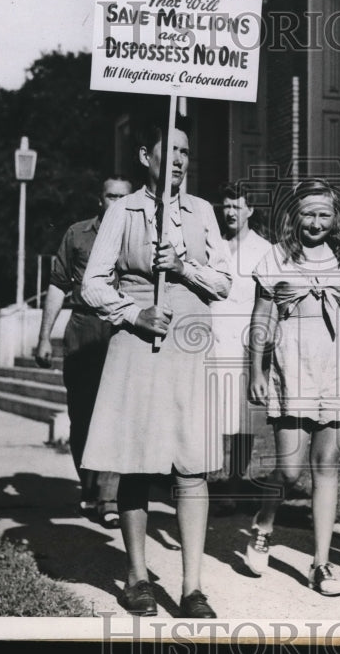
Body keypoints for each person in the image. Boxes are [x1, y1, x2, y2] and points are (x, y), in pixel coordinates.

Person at [80, 122, 231, 618]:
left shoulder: (203, 211)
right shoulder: (124, 211)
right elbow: (93, 285)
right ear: (148, 155)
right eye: (172, 151)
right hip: (140, 340)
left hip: (190, 340)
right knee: (138, 460)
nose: (181, 161)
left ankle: (192, 587)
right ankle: (138, 577)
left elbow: (225, 281)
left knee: (192, 462)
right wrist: (134, 313)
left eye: (187, 151)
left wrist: (184, 266)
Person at [243, 178, 340, 597]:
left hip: (333, 363)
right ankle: (263, 524)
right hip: (291, 361)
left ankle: (321, 564)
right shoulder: (276, 257)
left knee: (327, 465)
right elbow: (261, 319)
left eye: (324, 214)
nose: (316, 222)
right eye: (308, 213)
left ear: (335, 219)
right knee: (292, 469)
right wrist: (256, 371)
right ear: (295, 216)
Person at [34, 175, 132, 529]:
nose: (117, 202)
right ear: (100, 198)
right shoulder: (78, 234)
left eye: (124, 196)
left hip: (123, 326)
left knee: (116, 413)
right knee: (82, 416)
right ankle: (90, 488)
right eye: (110, 196)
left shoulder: (138, 235)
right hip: (83, 328)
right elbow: (58, 286)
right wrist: (45, 337)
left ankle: (108, 497)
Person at [209, 183, 273, 515]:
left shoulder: (265, 249)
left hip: (247, 342)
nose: (231, 212)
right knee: (213, 414)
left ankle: (238, 481)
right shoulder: (212, 245)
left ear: (250, 210)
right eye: (226, 206)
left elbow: (269, 303)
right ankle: (212, 481)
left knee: (243, 418)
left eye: (237, 205)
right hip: (213, 338)